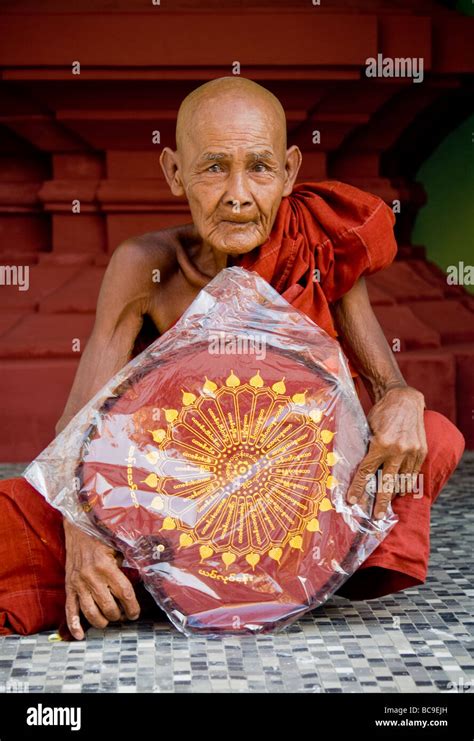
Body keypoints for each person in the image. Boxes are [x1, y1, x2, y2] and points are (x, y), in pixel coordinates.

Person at [0, 77, 464, 640]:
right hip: (166, 503)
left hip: (298, 499)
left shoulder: (316, 244)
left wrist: (403, 398)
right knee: (15, 516)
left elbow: (389, 387)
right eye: (214, 167)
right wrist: (82, 535)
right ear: (175, 172)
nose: (238, 195)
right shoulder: (144, 264)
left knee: (433, 436)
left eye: (260, 169)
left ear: (290, 171)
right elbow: (77, 424)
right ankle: (180, 577)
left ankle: (267, 575)